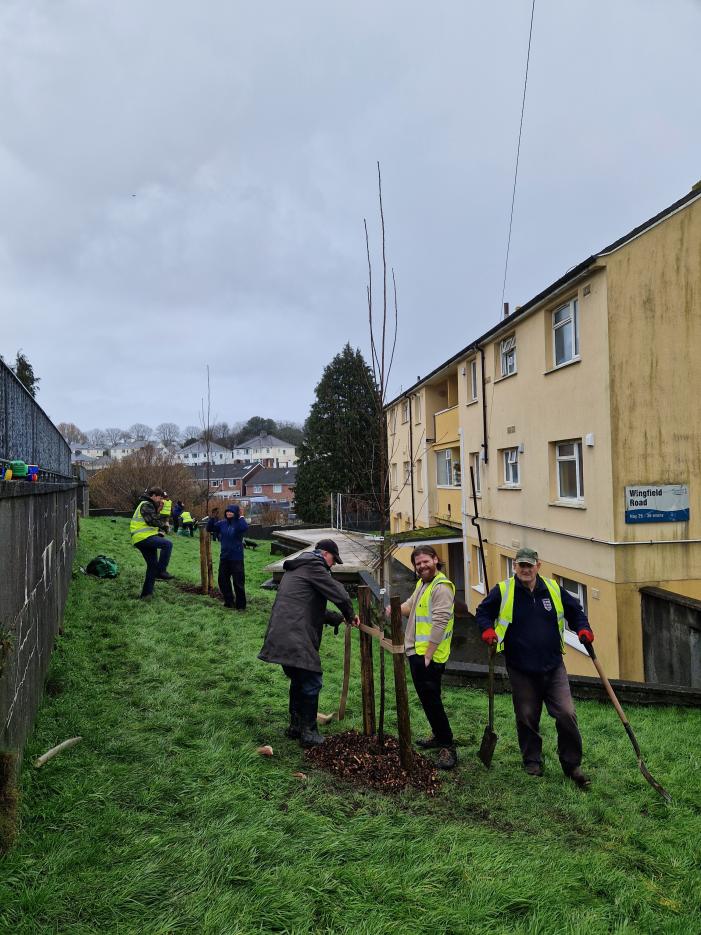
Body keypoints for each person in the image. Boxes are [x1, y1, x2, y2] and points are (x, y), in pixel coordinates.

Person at [476, 547, 594, 788]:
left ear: (538, 566)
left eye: (530, 565)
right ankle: (532, 761)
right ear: (515, 567)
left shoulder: (552, 589)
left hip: (553, 666)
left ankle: (572, 765)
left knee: (566, 713)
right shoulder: (504, 590)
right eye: (521, 565)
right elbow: (483, 612)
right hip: (520, 667)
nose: (526, 570)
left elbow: (575, 611)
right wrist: (487, 629)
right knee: (527, 716)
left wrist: (583, 628)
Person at [258, 539, 360, 747]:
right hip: (295, 635)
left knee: (299, 679)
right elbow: (339, 593)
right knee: (312, 680)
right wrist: (350, 614)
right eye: (333, 560)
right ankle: (309, 733)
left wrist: (335, 618)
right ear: (324, 554)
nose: (333, 565)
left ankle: (296, 726)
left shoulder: (299, 567)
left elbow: (304, 605)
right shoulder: (315, 565)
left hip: (281, 632)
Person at [388, 545, 457, 770]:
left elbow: (440, 622)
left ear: (436, 560)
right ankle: (439, 736)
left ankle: (448, 746)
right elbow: (411, 606)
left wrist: (428, 654)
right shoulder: (423, 584)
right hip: (418, 653)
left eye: (425, 561)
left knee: (432, 701)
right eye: (418, 564)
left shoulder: (442, 587)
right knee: (428, 699)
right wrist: (395, 608)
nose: (421, 566)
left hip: (430, 656)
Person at [129, 486, 174, 599]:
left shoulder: (149, 505)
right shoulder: (146, 504)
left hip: (144, 537)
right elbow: (151, 521)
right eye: (159, 498)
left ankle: (146, 594)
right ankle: (161, 571)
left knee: (152, 566)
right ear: (153, 496)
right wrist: (164, 526)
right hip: (142, 537)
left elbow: (149, 524)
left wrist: (158, 532)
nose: (161, 501)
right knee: (167, 544)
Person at [207, 504, 249, 609]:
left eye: (231, 511)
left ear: (235, 513)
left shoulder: (239, 523)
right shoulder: (222, 523)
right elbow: (209, 528)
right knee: (223, 580)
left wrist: (242, 516)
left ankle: (241, 605)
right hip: (225, 557)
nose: (229, 513)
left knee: (238, 582)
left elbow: (244, 527)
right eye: (227, 511)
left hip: (236, 558)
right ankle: (229, 601)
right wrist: (212, 518)